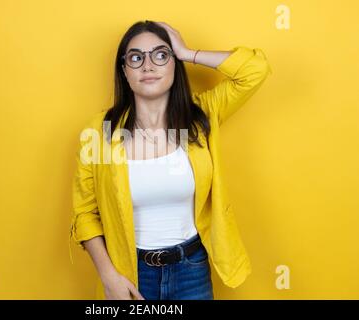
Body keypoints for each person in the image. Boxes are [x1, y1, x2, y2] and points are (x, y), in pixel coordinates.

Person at [70, 20, 272, 300]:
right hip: (130, 273)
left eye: (161, 55)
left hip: (192, 270)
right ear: (124, 70)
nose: (148, 66)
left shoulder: (202, 114)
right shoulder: (99, 130)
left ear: (174, 65)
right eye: (136, 57)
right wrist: (109, 278)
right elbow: (85, 213)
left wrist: (189, 53)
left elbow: (255, 69)